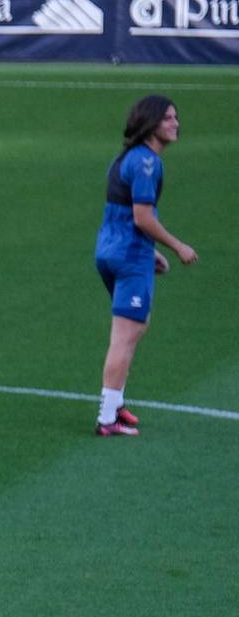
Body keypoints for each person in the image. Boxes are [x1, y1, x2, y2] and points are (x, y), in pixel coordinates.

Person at [93, 94, 197, 437]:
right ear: (151, 123)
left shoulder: (123, 158)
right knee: (125, 335)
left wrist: (146, 251)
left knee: (134, 327)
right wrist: (177, 245)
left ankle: (116, 402)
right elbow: (141, 216)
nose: (175, 123)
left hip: (110, 249)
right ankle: (108, 418)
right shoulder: (148, 163)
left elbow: (121, 213)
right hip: (129, 255)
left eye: (175, 117)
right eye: (168, 118)